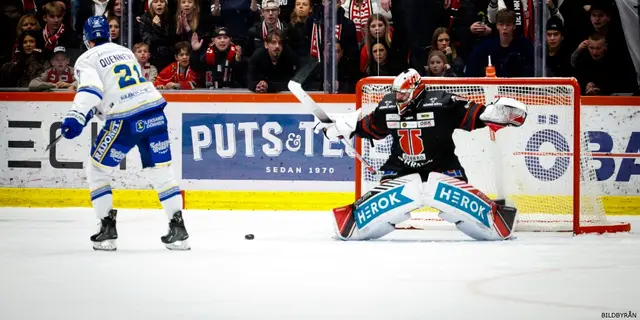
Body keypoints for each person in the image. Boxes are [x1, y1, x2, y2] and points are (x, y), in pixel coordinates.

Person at [315, 68, 528, 242]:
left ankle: (494, 218)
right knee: (390, 214)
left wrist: (492, 113)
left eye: (403, 94)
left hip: (442, 165)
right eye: (396, 93)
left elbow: (473, 113)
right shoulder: (388, 105)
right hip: (400, 167)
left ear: (416, 90)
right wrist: (342, 128)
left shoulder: (442, 102)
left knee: (456, 213)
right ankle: (355, 222)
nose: (399, 98)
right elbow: (370, 128)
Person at [60, 16, 190, 251]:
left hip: (125, 118)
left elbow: (91, 90)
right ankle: (178, 230)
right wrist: (94, 111)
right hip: (154, 111)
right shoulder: (124, 51)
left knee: (97, 169)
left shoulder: (85, 59)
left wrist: (77, 116)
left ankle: (106, 229)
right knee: (161, 171)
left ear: (86, 38)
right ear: (108, 35)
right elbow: (118, 86)